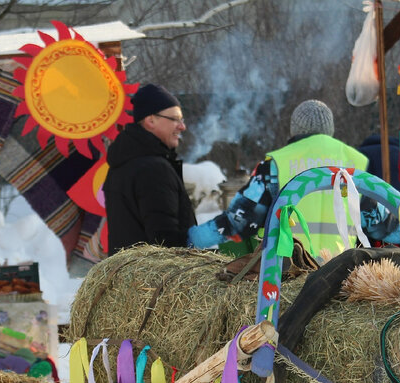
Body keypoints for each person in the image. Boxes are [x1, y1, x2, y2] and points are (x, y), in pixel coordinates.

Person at [189, 99, 368, 260]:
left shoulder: (276, 165)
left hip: (288, 275)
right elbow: (383, 224)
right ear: (331, 129)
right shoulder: (358, 163)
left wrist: (190, 238)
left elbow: (238, 221)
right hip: (342, 277)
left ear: (294, 129)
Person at [103, 83, 196, 255]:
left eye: (182, 120)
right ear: (150, 120)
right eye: (175, 119)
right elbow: (166, 243)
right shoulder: (153, 170)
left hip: (127, 276)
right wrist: (208, 236)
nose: (182, 127)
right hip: (155, 280)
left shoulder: (123, 163)